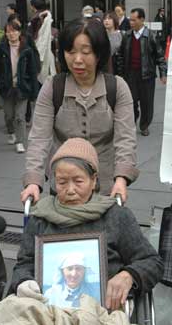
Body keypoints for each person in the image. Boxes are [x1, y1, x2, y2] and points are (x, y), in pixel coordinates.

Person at [10, 137, 163, 312]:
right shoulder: (40, 218)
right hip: (46, 313)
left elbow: (152, 262)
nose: (70, 189)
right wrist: (24, 281)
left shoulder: (115, 216)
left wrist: (129, 275)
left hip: (103, 315)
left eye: (78, 181)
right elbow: (23, 265)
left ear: (93, 180)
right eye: (62, 182)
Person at [20, 17, 138, 205]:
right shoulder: (53, 88)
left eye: (86, 52)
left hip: (106, 188)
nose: (77, 60)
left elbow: (125, 139)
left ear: (99, 54)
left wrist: (121, 179)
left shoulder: (117, 88)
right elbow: (39, 139)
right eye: (70, 51)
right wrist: (33, 181)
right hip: (63, 188)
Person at [0, 20, 39, 153]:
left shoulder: (26, 50)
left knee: (19, 116)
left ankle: (20, 141)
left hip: (23, 88)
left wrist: (34, 92)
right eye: (8, 31)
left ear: (19, 32)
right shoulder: (2, 49)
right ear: (5, 33)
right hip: (7, 88)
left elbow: (33, 72)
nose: (11, 34)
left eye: (14, 31)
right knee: (9, 115)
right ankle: (11, 132)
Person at [117, 8, 167, 136]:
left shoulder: (151, 36)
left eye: (134, 20)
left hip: (147, 75)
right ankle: (131, 123)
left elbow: (160, 57)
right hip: (130, 74)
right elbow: (121, 56)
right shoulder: (127, 36)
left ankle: (144, 125)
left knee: (146, 103)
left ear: (142, 20)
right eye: (130, 20)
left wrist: (163, 74)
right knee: (130, 101)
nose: (131, 22)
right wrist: (120, 74)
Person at [28, 0, 56, 85]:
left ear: (33, 6)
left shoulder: (35, 18)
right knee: (47, 69)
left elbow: (31, 34)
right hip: (47, 46)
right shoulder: (45, 15)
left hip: (37, 45)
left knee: (38, 70)